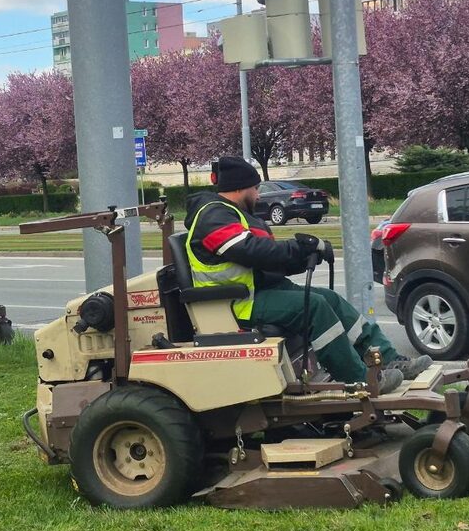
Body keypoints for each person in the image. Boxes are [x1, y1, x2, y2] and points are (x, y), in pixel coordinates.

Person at [183, 157, 431, 394]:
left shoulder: (227, 213)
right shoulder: (213, 216)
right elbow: (251, 251)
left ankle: (388, 360)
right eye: (256, 189)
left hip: (258, 292)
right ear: (242, 188)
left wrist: (304, 256)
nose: (258, 196)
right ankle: (357, 380)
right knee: (314, 306)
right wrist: (300, 247)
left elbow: (264, 260)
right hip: (237, 304)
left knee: (331, 299)